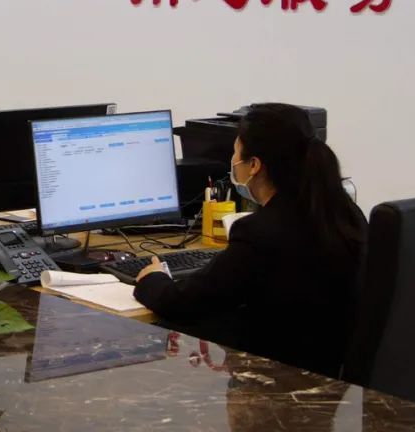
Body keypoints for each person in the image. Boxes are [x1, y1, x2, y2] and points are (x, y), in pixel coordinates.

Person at [133, 103, 367, 378]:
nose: (232, 161)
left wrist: (154, 278)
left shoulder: (260, 232)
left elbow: (183, 304)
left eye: (235, 152)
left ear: (254, 165)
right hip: (329, 376)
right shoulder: (347, 214)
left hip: (276, 381)